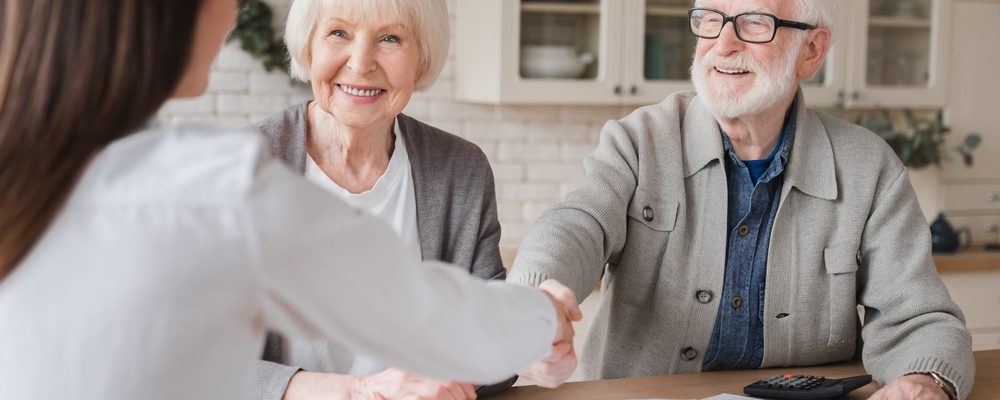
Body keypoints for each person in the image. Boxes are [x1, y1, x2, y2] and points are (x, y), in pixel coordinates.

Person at [0, 0, 581, 399]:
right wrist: (543, 316)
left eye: (389, 38)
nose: (231, 14)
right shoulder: (216, 190)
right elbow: (420, 311)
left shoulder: (31, 169)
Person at [507, 1, 974, 399]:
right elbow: (578, 222)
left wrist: (925, 378)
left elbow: (920, 316)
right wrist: (534, 295)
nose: (723, 44)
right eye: (711, 18)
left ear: (810, 51)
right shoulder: (639, 140)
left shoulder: (870, 167)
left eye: (753, 22)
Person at [246, 1, 571, 399]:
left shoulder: (459, 170)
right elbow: (192, 363)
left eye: (390, 38)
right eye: (339, 33)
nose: (361, 63)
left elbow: (490, 350)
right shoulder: (241, 170)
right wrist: (361, 391)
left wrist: (521, 343)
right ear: (309, 47)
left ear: (422, 61)